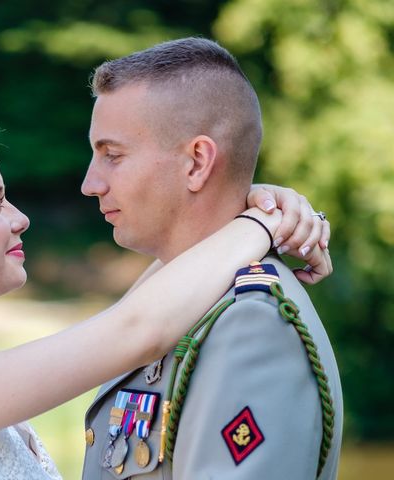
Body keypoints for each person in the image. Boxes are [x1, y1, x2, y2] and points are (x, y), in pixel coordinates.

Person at [0, 119, 327, 480]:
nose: (20, 218)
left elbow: (159, 294)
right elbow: (137, 332)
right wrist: (260, 222)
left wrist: (257, 209)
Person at [80, 38, 341, 479]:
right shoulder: (177, 291)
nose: (91, 183)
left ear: (198, 162)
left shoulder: (252, 324)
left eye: (112, 155)